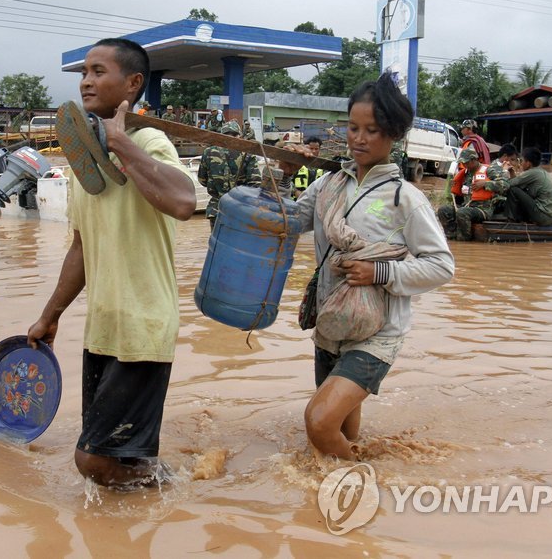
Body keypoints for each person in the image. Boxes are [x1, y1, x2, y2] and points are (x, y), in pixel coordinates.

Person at [27, 38, 197, 488]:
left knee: (93, 461)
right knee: (116, 454)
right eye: (84, 72)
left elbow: (184, 202)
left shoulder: (149, 141)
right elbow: (81, 249)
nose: (86, 81)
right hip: (103, 329)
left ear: (133, 83)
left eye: (99, 72)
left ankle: (177, 490)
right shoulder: (83, 164)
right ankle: (167, 494)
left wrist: (121, 142)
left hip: (143, 327)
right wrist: (49, 316)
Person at [277, 73, 454, 460]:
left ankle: (358, 482)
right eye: (353, 128)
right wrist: (284, 176)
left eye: (371, 130)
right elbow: (286, 223)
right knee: (340, 433)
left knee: (319, 422)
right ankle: (352, 483)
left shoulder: (405, 199)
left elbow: (442, 266)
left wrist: (381, 272)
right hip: (331, 323)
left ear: (394, 134)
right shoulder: (327, 186)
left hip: (377, 334)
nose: (358, 139)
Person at [197, 120, 262, 229]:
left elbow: (202, 180)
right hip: (241, 210)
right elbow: (255, 184)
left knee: (217, 239)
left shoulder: (208, 152)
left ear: (222, 135)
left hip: (217, 208)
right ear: (239, 135)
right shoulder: (247, 153)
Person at [436, 148, 500, 241]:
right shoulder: (465, 173)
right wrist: (454, 186)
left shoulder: (488, 170)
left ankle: (463, 240)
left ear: (474, 160)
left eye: (466, 162)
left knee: (463, 212)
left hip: (483, 209)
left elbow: (504, 184)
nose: (464, 165)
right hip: (465, 206)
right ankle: (451, 237)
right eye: (463, 163)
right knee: (443, 210)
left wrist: (485, 184)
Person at [504, 146, 552, 226]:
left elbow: (509, 184)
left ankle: (512, 221)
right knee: (517, 189)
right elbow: (517, 184)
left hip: (543, 217)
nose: (521, 163)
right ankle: (520, 218)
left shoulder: (532, 173)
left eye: (522, 161)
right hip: (551, 216)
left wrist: (504, 170)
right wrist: (511, 172)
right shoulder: (541, 172)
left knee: (512, 189)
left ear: (528, 163)